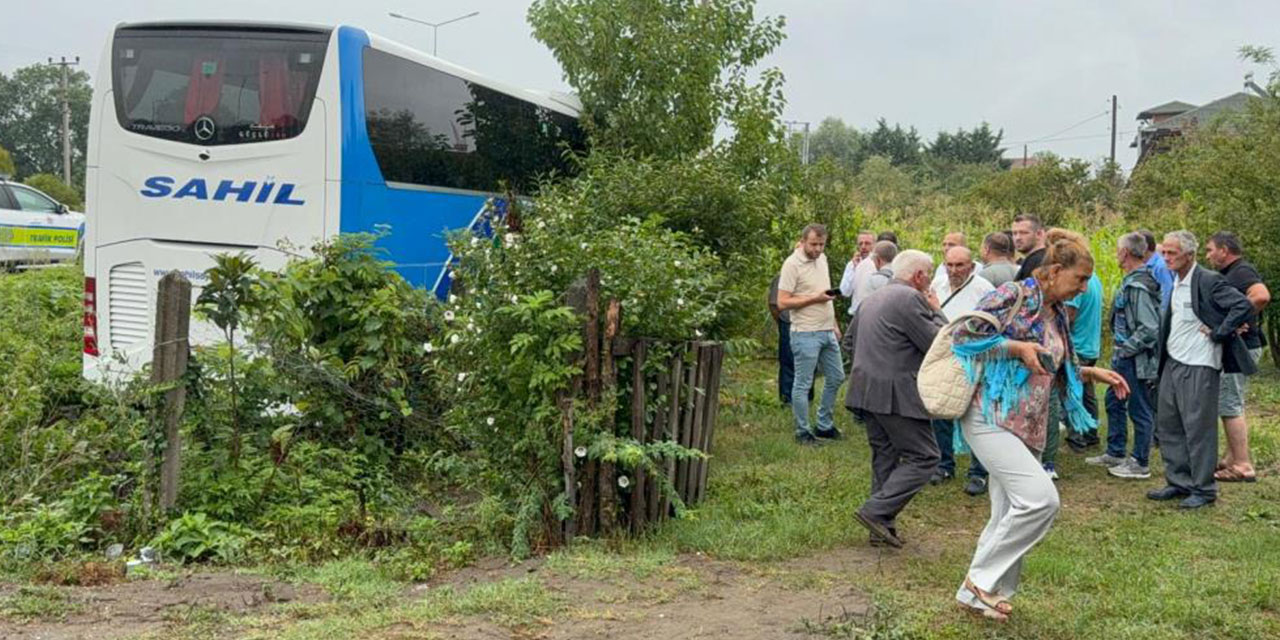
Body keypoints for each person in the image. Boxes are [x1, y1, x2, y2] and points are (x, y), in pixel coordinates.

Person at [948, 229, 1128, 621]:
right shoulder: (1013, 295)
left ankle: (982, 594)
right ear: (1055, 270)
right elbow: (960, 337)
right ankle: (980, 580)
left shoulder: (1056, 311)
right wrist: (1016, 347)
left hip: (1028, 420)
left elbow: (1051, 362)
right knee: (1041, 500)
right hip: (991, 414)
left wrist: (1091, 373)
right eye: (1080, 278)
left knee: (1007, 511)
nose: (1084, 288)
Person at [845, 250, 945, 548]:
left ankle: (881, 526)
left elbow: (848, 342)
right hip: (897, 393)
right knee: (925, 456)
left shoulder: (871, 298)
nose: (930, 280)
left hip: (865, 388)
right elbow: (939, 343)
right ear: (919, 276)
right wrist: (937, 310)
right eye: (929, 274)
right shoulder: (910, 298)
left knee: (885, 455)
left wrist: (872, 364)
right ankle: (875, 511)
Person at [1148, 230, 1255, 509]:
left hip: (1199, 363)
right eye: (1164, 252)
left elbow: (1242, 305)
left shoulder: (1208, 280)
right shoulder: (1175, 280)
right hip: (1173, 360)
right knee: (1170, 424)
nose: (1166, 257)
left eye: (1172, 253)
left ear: (1189, 255)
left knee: (1198, 428)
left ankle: (1204, 488)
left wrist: (1220, 332)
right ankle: (1179, 481)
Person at [1087, 233, 1162, 479]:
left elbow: (1149, 328)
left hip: (1136, 359)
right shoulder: (1131, 280)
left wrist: (1126, 350)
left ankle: (1140, 462)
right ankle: (1116, 451)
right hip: (1125, 356)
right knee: (1113, 400)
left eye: (1118, 250)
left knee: (1139, 407)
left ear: (1125, 253)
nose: (1116, 254)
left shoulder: (1138, 286)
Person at [1205, 231, 1271, 483]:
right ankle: (1231, 458)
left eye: (1210, 250)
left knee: (1229, 404)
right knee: (1232, 402)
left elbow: (1261, 296)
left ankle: (1243, 465)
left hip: (1242, 347)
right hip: (1238, 346)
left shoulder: (1241, 271)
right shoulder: (1229, 273)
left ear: (1224, 250)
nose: (1207, 256)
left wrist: (1234, 321)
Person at [929, 246, 996, 488]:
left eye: (960, 265)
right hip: (943, 358)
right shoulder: (937, 285)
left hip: (974, 360)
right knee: (940, 412)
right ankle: (944, 465)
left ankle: (978, 472)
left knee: (975, 415)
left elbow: (989, 326)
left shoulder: (984, 289)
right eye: (950, 265)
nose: (954, 270)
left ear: (971, 266)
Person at [777, 224, 845, 445]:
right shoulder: (792, 264)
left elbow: (825, 294)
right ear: (803, 241)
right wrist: (815, 299)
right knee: (803, 384)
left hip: (826, 330)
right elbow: (782, 302)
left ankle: (824, 425)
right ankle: (803, 431)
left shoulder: (822, 259)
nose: (817, 249)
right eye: (813, 244)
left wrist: (834, 324)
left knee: (837, 376)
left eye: (821, 244)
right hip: (805, 332)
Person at [1062, 272, 1103, 453]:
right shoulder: (1094, 279)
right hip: (1091, 345)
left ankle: (1076, 440)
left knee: (1072, 394)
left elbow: (1068, 316)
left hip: (1077, 346)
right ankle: (1091, 435)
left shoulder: (1076, 282)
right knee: (1087, 393)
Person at [838, 230, 877, 311]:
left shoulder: (878, 263)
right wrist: (855, 269)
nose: (863, 247)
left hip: (874, 310)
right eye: (860, 243)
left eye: (867, 243)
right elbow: (845, 292)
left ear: (874, 245)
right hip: (856, 311)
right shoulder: (852, 264)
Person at [1139, 229, 1175, 307]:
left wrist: (1162, 313)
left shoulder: (1160, 266)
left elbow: (1167, 292)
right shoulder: (1147, 265)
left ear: (1145, 247)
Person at [1012, 214, 1048, 281]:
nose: (1017, 238)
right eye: (1014, 233)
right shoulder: (1032, 259)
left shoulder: (1039, 261)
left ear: (1039, 234)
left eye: (1024, 233)